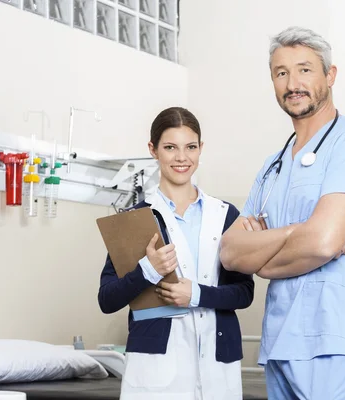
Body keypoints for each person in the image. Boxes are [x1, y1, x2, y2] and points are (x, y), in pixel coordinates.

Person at [220, 26, 345, 400]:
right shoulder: (273, 165)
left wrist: (265, 253)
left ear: (330, 75)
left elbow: (323, 241)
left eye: (304, 69)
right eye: (281, 73)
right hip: (281, 341)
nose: (292, 82)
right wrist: (297, 233)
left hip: (335, 337)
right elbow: (231, 253)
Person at [98, 106, 254, 400]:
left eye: (190, 147)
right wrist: (148, 271)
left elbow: (244, 292)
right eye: (170, 147)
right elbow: (107, 299)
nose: (182, 157)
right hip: (156, 368)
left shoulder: (225, 215)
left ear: (200, 149)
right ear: (153, 150)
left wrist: (196, 294)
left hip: (217, 364)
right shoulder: (135, 220)